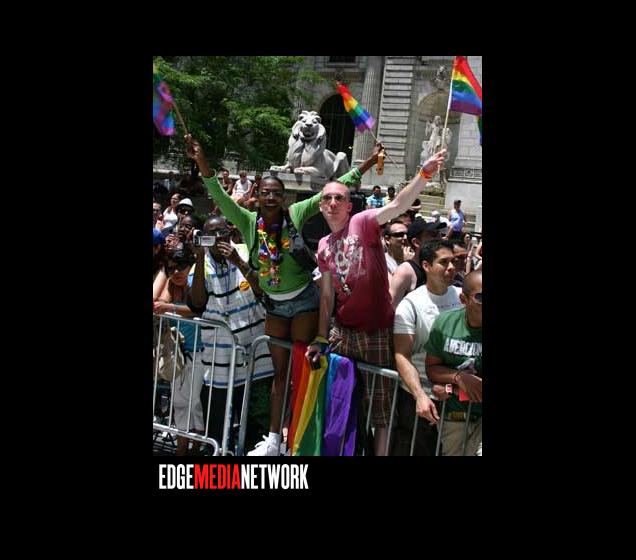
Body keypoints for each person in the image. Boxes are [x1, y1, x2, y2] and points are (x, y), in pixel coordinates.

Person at [185, 133, 383, 455]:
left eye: (276, 193)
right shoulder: (248, 222)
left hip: (304, 303)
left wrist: (370, 162)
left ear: (283, 197)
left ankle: (295, 437)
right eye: (265, 192)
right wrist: (202, 161)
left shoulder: (296, 213)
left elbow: (332, 189)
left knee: (298, 371)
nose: (271, 197)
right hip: (274, 308)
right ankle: (274, 440)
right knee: (280, 376)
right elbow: (218, 194)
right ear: (257, 195)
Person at [306, 147, 447, 456]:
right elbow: (327, 296)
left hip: (376, 332)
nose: (332, 203)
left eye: (339, 198)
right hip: (343, 333)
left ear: (349, 206)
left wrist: (424, 173)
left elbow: (399, 204)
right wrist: (320, 337)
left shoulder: (363, 222)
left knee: (381, 410)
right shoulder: (324, 245)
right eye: (327, 198)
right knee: (339, 399)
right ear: (321, 206)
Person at [187, 215, 273, 453]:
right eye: (210, 235)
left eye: (221, 233)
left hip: (255, 358)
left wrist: (238, 261)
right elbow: (197, 303)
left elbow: (262, 289)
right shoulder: (200, 265)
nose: (217, 239)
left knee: (256, 426)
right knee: (218, 428)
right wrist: (200, 256)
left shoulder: (244, 252)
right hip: (219, 363)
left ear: (230, 232)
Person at [392, 240, 464, 455]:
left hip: (456, 398)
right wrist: (420, 396)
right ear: (426, 266)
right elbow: (402, 355)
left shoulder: (463, 297)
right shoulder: (410, 305)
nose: (451, 267)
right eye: (444, 262)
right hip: (420, 400)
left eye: (453, 262)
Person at [425, 269, 482, 456]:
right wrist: (458, 379)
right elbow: (431, 368)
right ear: (464, 300)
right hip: (454, 419)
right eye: (480, 297)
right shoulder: (445, 323)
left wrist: (451, 389)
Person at [389, 217, 446, 309]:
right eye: (434, 235)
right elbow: (391, 309)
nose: (440, 239)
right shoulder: (405, 272)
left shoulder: (444, 268)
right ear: (416, 242)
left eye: (440, 234)